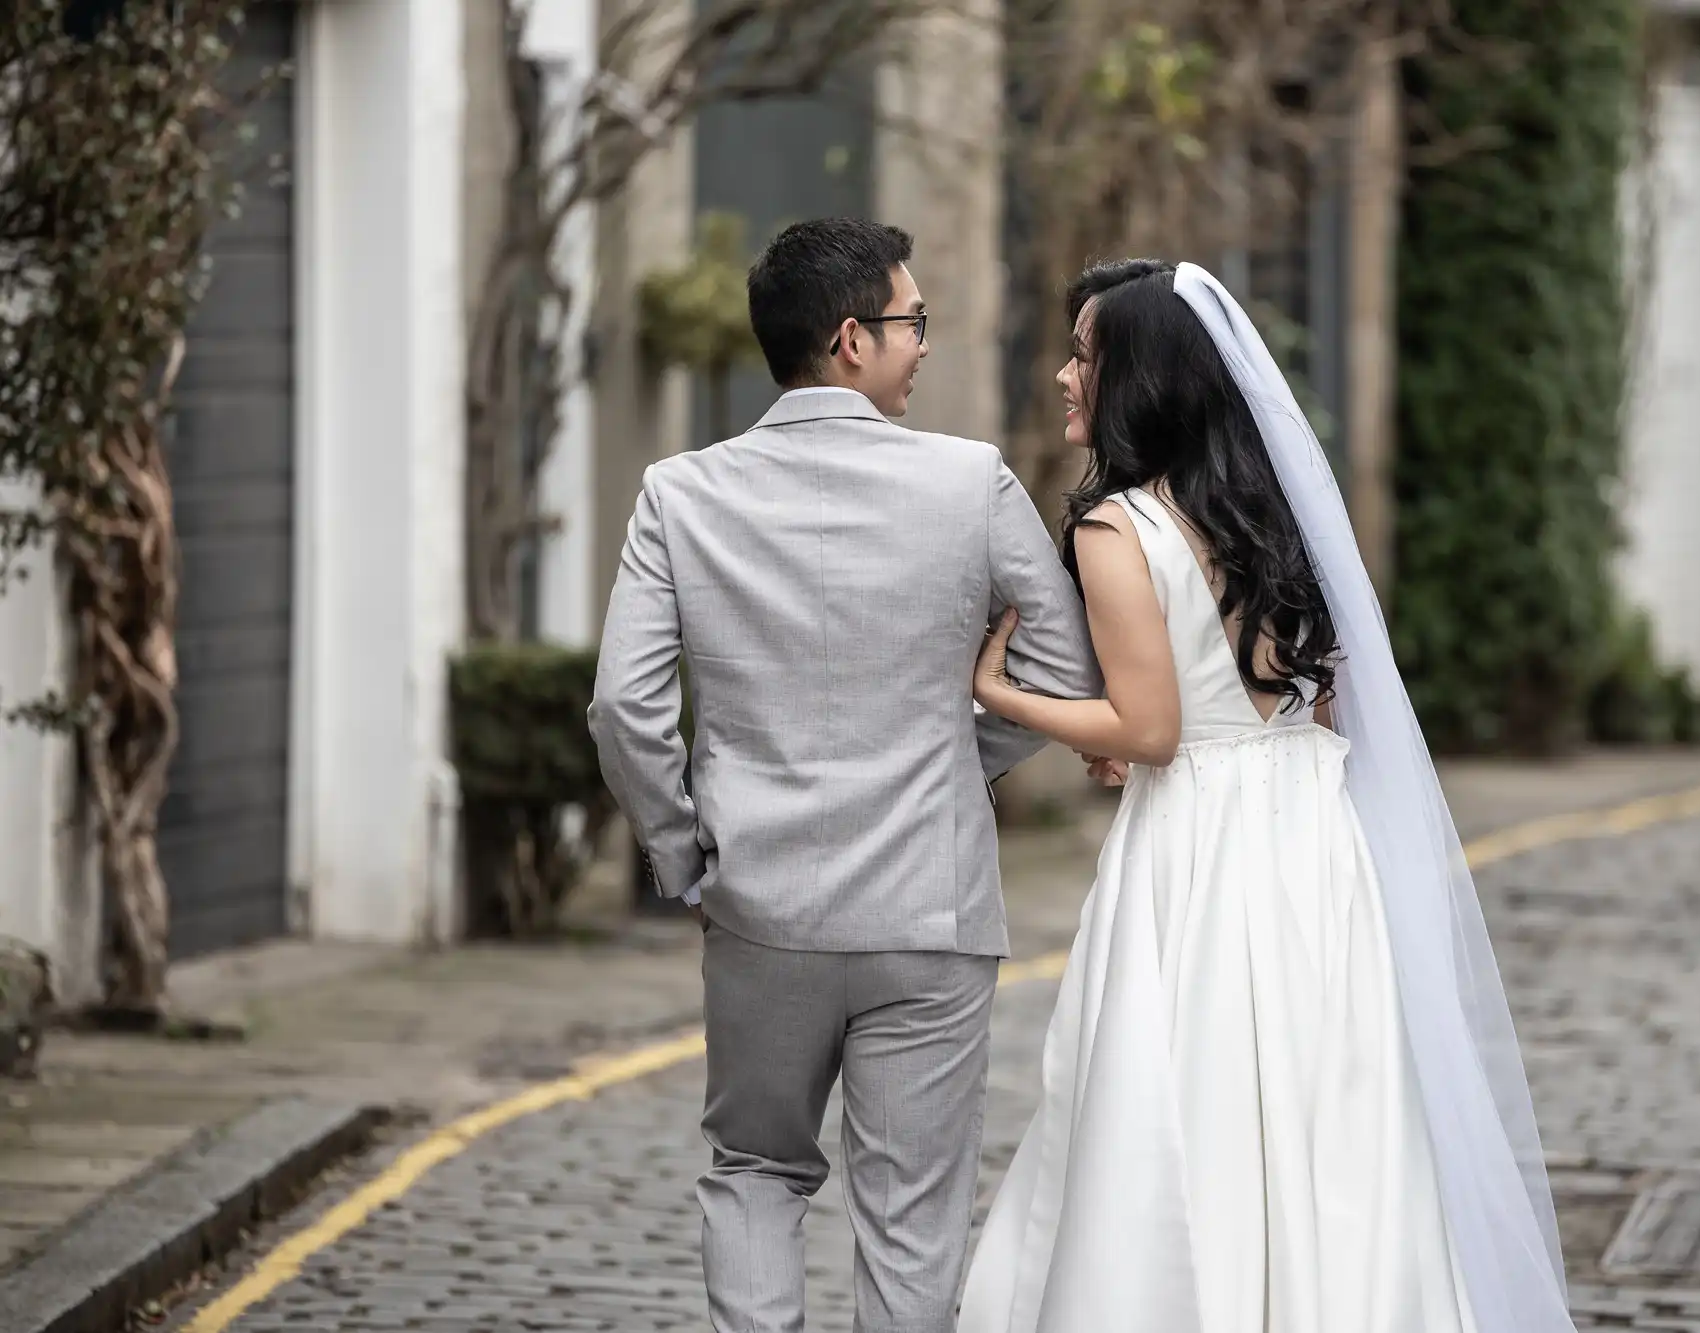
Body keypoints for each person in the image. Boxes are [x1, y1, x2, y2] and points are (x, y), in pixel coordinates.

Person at [956, 259, 1575, 1332]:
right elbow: (1301, 701)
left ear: (1140, 379)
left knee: (1182, 1093)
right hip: (1309, 836)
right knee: (1328, 1096)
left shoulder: (1116, 530)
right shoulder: (1268, 515)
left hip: (1200, 842)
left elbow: (1148, 730)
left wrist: (1003, 692)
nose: (1062, 377)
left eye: (1082, 357)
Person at [588, 218, 1099, 1333]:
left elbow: (624, 709)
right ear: (850, 339)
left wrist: (684, 853)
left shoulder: (679, 494)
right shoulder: (971, 482)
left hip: (760, 904)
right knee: (912, 1217)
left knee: (754, 1169)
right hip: (930, 903)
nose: (924, 344)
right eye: (912, 323)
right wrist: (956, 763)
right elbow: (1061, 663)